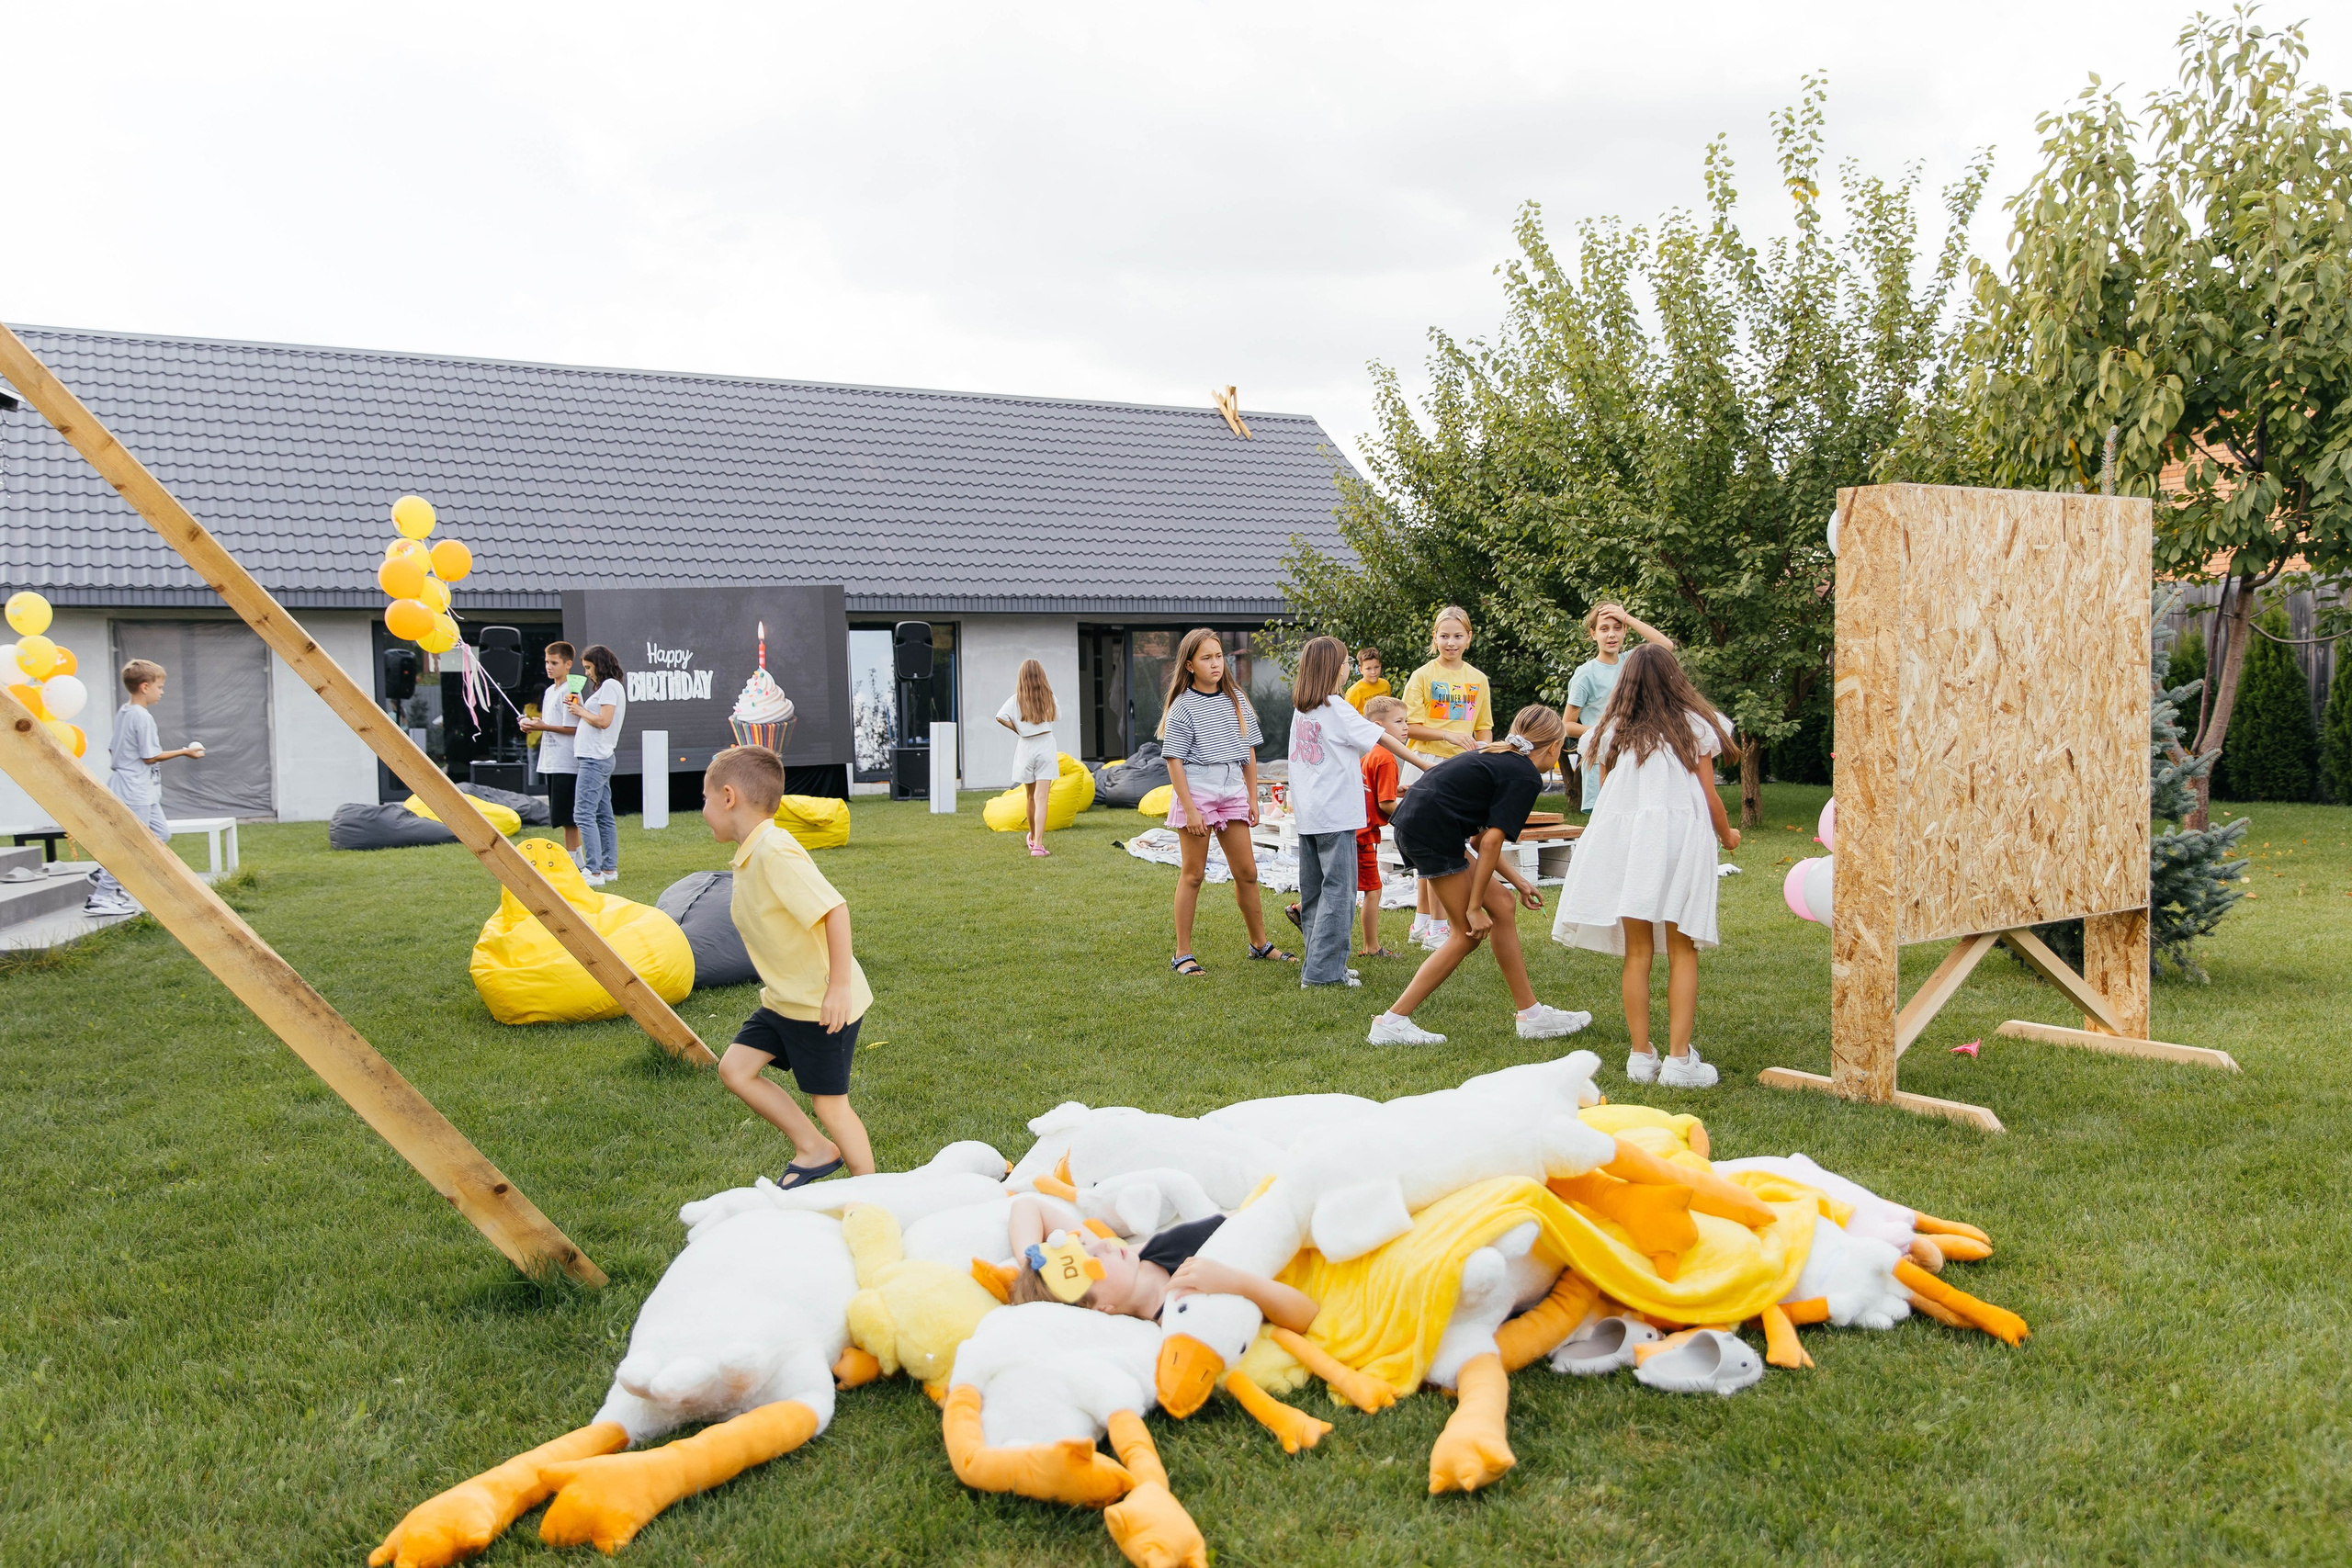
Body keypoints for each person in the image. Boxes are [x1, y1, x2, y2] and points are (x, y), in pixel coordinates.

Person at [1551, 644, 1740, 1089]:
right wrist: (1728, 834)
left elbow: (1612, 791)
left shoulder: (1612, 730)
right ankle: (1679, 1061)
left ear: (1626, 683)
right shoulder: (1694, 725)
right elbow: (1709, 794)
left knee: (1637, 952)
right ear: (1676, 680)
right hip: (1679, 841)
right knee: (1682, 949)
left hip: (1629, 846)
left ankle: (1640, 1056)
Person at [702, 743, 877, 1185]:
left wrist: (838, 988)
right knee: (736, 1069)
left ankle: (870, 1191)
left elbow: (835, 910)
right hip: (784, 1001)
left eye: (705, 798)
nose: (702, 810)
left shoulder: (774, 851)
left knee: (830, 1105)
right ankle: (814, 1149)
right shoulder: (753, 852)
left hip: (820, 1006)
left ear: (728, 797)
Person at [1366, 705, 1590, 1047]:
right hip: (1429, 832)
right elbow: (1489, 843)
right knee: (1467, 934)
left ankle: (1531, 1015)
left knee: (1502, 905)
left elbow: (1479, 839)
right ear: (1554, 748)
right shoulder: (1525, 775)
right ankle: (1392, 1022)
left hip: (1422, 826)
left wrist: (1519, 882)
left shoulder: (1500, 758)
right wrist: (1473, 908)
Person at [1283, 637, 1436, 987]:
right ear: (1335, 669)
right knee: (1339, 893)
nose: (1349, 667)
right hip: (1336, 815)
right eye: (1347, 662)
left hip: (1310, 814)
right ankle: (1323, 974)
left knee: (1315, 893)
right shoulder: (1336, 707)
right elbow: (1382, 737)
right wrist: (1424, 764)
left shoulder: (1303, 708)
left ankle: (1320, 964)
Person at [1160, 627, 1289, 975]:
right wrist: (1190, 810)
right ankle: (1182, 954)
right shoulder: (1183, 705)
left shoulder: (1236, 699)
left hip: (1232, 791)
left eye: (1219, 656)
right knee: (1193, 875)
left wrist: (1252, 797)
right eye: (1206, 658)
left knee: (1247, 872)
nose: (1216, 663)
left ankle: (1260, 945)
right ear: (1190, 665)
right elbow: (1173, 760)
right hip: (1197, 792)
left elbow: (1248, 751)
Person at [1002, 1196, 1317, 1331]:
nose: (1102, 1244)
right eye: (1093, 1260)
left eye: (1083, 1245)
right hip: (1312, 1254)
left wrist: (1029, 1266)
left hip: (1286, 1210)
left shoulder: (1134, 1258)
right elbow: (1307, 1316)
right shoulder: (1181, 1311)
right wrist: (1235, 1283)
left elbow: (1029, 1206)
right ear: (1101, 1309)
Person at [1398, 605, 1492, 951]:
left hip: (1463, 767)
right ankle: (1433, 927)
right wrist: (1447, 735)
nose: (1450, 642)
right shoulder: (1423, 675)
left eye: (1457, 636)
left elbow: (1484, 727)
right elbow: (1409, 727)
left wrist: (1484, 755)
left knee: (1443, 845)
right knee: (1433, 848)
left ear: (1469, 638)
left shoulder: (1478, 679)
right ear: (1434, 637)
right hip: (1425, 763)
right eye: (1444, 636)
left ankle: (1426, 924)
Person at [83, 660, 204, 917]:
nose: (162, 692)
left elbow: (114, 749)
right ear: (145, 687)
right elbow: (150, 756)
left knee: (160, 834)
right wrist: (185, 752)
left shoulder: (125, 711)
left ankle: (104, 873)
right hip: (134, 789)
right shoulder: (142, 717)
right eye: (160, 687)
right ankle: (103, 896)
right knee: (134, 844)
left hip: (140, 788)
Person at [1563, 604, 1677, 815]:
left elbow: (1665, 646)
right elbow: (1567, 725)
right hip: (1602, 759)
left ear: (1625, 631)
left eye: (1617, 628)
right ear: (1593, 634)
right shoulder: (1585, 674)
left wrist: (1627, 618)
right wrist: (1608, 733)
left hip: (1633, 758)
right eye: (1604, 629)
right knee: (1606, 824)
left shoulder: (1632, 662)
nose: (1611, 635)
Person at [1356, 695, 1412, 958]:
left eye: (1406, 721)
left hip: (1354, 830)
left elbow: (1373, 790)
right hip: (1364, 835)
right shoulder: (1387, 758)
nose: (1406, 727)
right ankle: (1372, 947)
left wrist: (1396, 790)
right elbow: (1386, 803)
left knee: (1341, 883)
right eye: (1399, 721)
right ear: (1378, 726)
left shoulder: (1369, 754)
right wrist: (1411, 817)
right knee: (1373, 889)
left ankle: (1300, 909)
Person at [566, 643, 626, 886]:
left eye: (589, 667)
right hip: (597, 757)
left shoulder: (610, 686)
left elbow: (604, 721)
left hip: (595, 758)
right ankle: (608, 868)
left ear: (599, 665)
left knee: (583, 814)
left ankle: (593, 871)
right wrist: (579, 708)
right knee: (603, 815)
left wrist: (580, 711)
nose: (587, 673)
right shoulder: (609, 687)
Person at [519, 640, 582, 860]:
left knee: (569, 818)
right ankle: (575, 860)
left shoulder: (571, 690)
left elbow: (573, 727)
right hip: (551, 760)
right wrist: (531, 725)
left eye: (554, 663)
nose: (549, 667)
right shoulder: (548, 691)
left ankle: (576, 861)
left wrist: (542, 726)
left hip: (567, 761)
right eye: (547, 662)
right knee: (561, 817)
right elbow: (548, 723)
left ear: (568, 664)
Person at [995, 659, 1059, 857]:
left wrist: (1019, 729)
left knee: (1030, 797)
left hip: (1026, 746)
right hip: (1045, 745)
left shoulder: (1015, 700)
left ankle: (1032, 838)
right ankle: (1038, 844)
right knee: (1042, 798)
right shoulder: (1050, 698)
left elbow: (1000, 717)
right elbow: (1056, 717)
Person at [1343, 646, 1390, 713]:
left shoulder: (1385, 684)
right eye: (1368, 669)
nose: (1373, 672)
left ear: (1380, 665)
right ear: (1361, 670)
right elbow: (1346, 715)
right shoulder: (1354, 692)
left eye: (1376, 667)